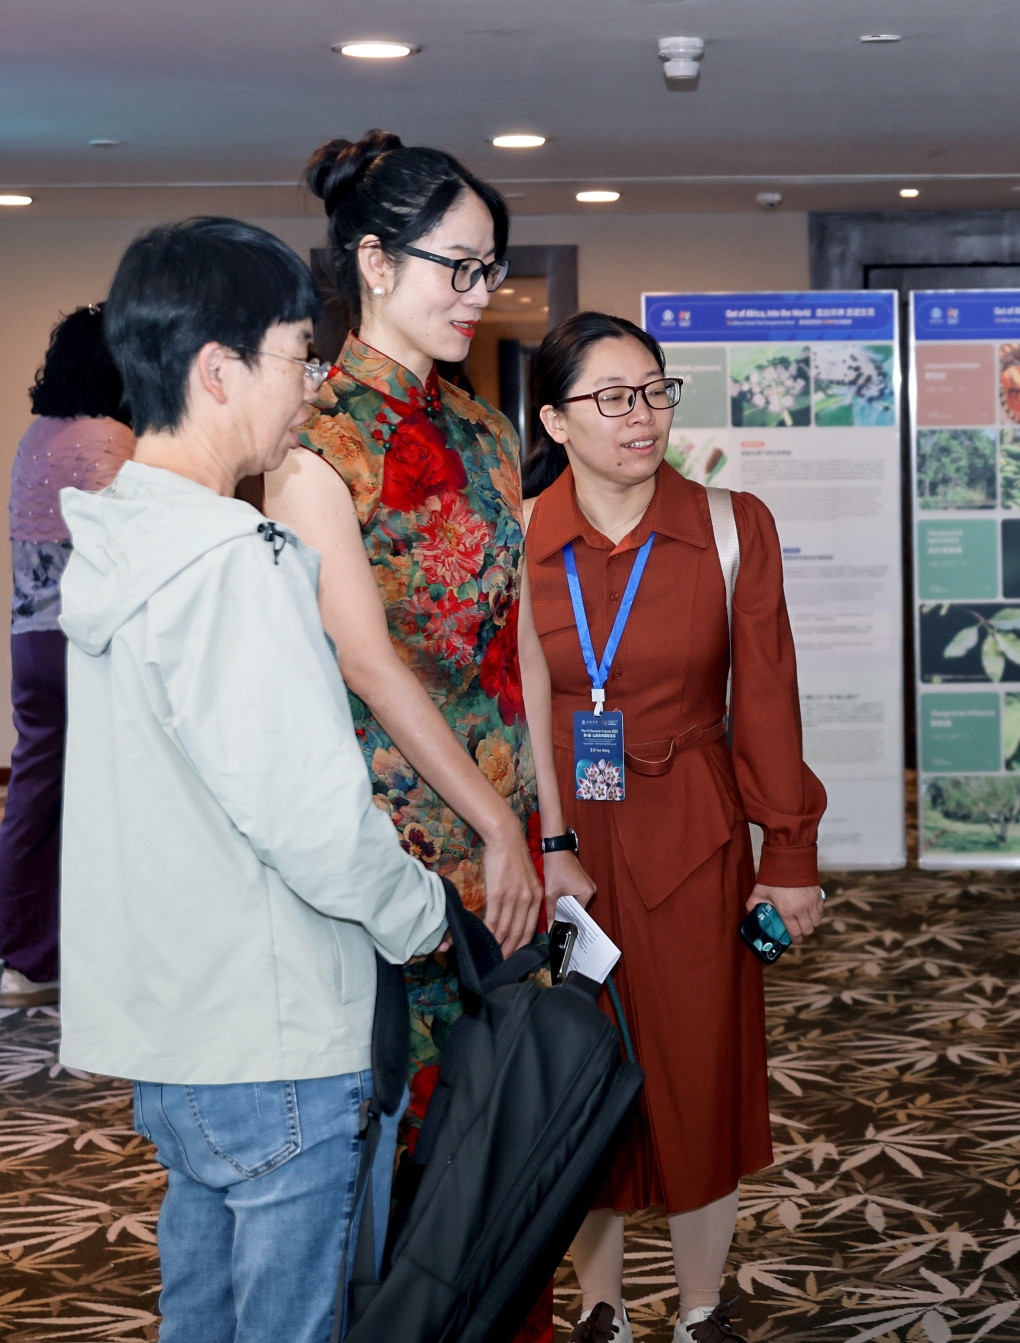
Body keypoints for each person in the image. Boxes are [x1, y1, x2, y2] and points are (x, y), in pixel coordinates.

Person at [60, 216, 447, 1342]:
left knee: (204, 1314)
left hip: (181, 1029)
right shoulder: (229, 568)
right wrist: (423, 915)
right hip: (275, 1032)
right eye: (298, 359)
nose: (313, 390)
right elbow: (311, 820)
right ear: (218, 371)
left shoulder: (125, 544)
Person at [261, 131, 562, 1335]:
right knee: (400, 1164)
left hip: (501, 838)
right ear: (376, 263)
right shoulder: (314, 445)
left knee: (506, 1148)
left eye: (491, 269)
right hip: (392, 856)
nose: (480, 294)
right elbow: (365, 661)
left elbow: (521, 645)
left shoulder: (487, 431)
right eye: (459, 267)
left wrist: (545, 831)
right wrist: (494, 827)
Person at [519, 313, 826, 1343]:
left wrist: (788, 854)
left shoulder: (732, 526)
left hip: (694, 836)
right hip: (561, 840)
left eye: (654, 391)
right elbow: (505, 706)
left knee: (698, 1068)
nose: (641, 416)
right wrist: (535, 842)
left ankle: (700, 1307)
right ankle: (599, 1307)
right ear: (555, 420)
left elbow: (768, 700)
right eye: (612, 398)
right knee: (573, 1071)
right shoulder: (517, 537)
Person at [0, 307, 133, 1010]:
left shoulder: (35, 438)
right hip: (88, 642)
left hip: (29, 641)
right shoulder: (115, 438)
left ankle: (26, 960)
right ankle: (104, 954)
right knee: (110, 800)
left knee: (32, 796)